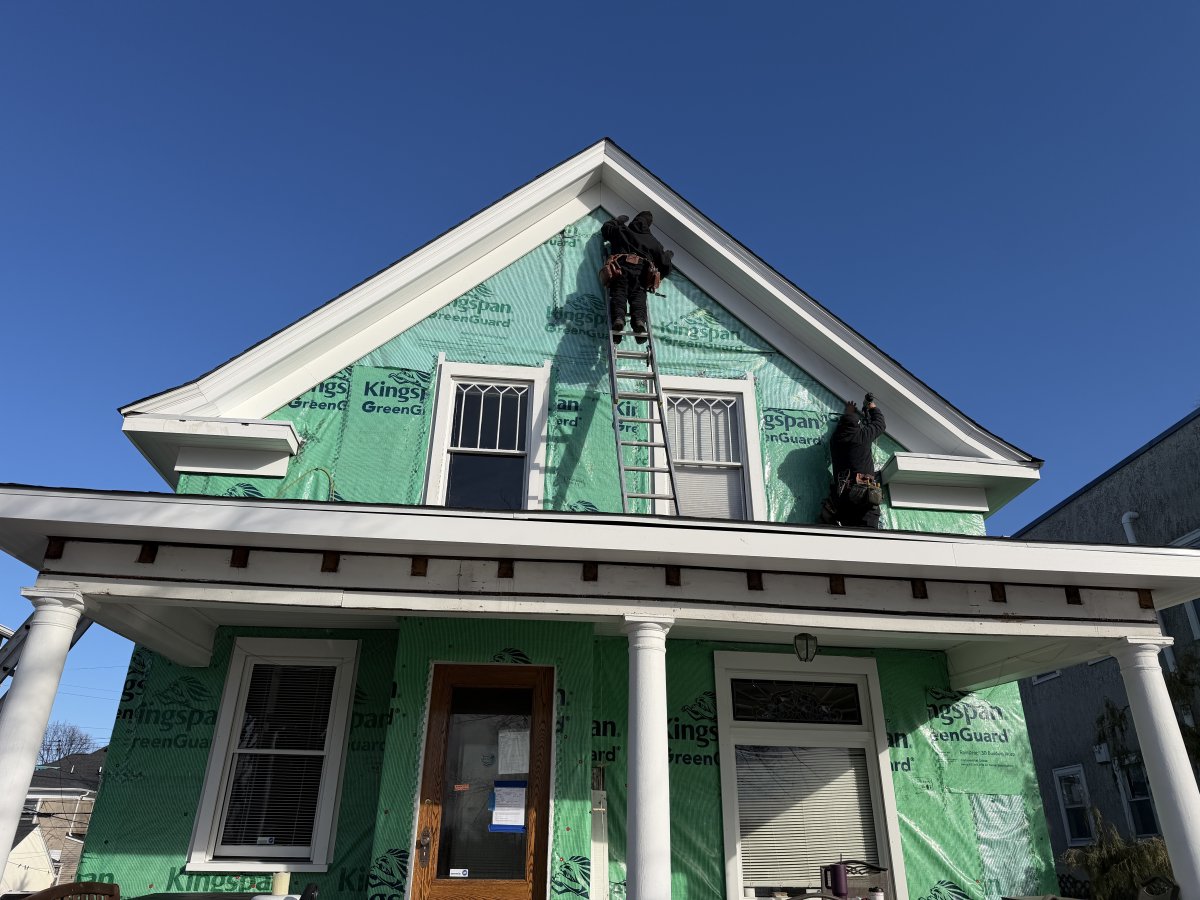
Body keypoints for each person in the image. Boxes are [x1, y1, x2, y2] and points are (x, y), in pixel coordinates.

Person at [600, 211, 674, 343]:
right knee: (638, 297)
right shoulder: (653, 242)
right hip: (641, 272)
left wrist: (617, 221)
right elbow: (665, 266)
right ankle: (639, 322)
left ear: (635, 220)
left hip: (620, 267)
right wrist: (668, 256)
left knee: (619, 294)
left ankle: (618, 319)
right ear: (648, 225)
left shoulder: (622, 230)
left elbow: (606, 229)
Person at [820, 394, 886, 528]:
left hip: (844, 501)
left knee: (850, 532)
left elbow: (847, 424)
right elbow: (880, 424)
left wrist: (848, 414)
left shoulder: (835, 441)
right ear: (857, 425)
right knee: (868, 534)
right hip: (865, 499)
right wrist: (871, 407)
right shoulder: (861, 436)